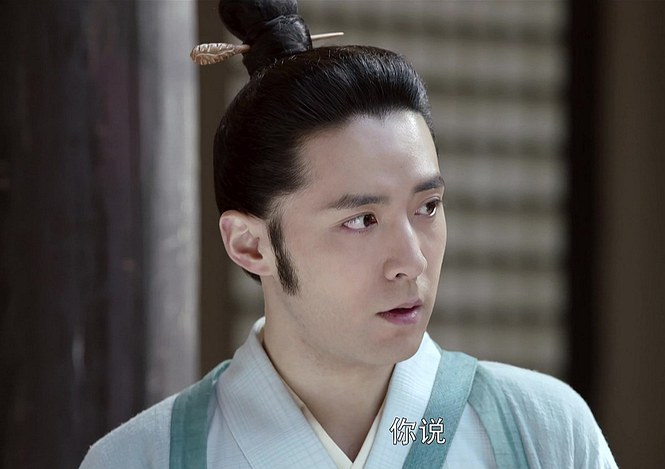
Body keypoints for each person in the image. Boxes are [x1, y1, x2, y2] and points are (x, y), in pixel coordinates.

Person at [80, 0, 617, 467]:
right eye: (361, 220)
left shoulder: (540, 431)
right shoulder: (143, 457)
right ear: (250, 244)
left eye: (427, 207)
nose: (411, 261)